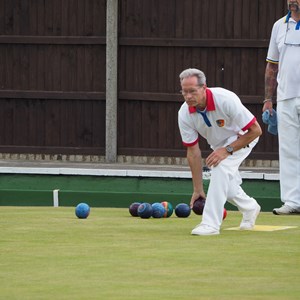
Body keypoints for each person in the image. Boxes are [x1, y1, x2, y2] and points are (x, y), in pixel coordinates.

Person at [178, 68, 262, 235]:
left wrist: (228, 150)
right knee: (227, 185)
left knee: (219, 168)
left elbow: (256, 130)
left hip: (243, 137)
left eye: (192, 91)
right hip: (218, 145)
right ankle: (250, 207)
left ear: (204, 88)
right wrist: (197, 189)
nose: (188, 96)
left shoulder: (225, 99)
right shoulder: (184, 113)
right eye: (184, 92)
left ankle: (210, 224)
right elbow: (193, 152)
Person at [263, 0, 300, 215]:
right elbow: (271, 65)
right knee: (288, 151)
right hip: (285, 98)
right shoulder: (279, 25)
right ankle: (292, 201)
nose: (292, 1)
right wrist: (268, 99)